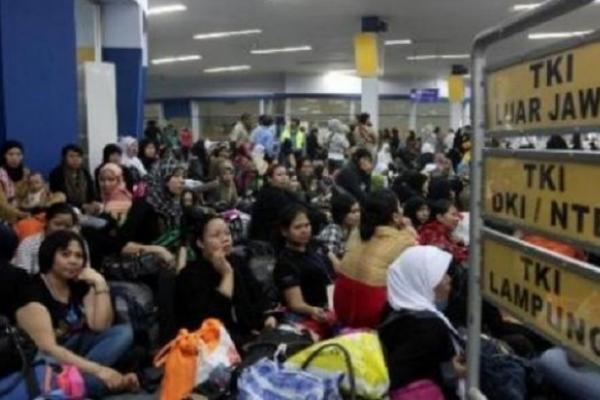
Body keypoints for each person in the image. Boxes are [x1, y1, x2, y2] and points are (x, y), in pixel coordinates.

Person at [19, 230, 138, 397]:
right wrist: (100, 370)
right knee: (95, 382)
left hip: (79, 352)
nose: (73, 261)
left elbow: (100, 326)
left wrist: (100, 284)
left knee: (123, 332)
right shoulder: (32, 289)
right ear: (50, 254)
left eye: (79, 256)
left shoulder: (79, 284)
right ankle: (95, 382)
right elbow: (48, 349)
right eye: (65, 254)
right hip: (48, 361)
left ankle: (79, 381)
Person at [175, 212, 276, 346]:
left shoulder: (238, 262)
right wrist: (227, 274)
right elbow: (212, 321)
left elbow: (257, 295)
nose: (225, 239)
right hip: (212, 343)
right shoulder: (189, 275)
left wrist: (267, 317)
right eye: (216, 235)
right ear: (200, 243)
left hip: (250, 334)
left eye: (227, 233)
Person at [378, 246, 464, 400]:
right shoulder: (430, 327)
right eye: (440, 275)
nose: (448, 279)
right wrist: (452, 370)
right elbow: (403, 374)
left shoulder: (393, 307)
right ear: (422, 280)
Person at [334, 189, 418, 329]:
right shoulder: (404, 240)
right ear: (395, 216)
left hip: (341, 303)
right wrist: (409, 230)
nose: (402, 210)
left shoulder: (356, 231)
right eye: (399, 206)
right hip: (371, 312)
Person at [274, 204, 335, 336]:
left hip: (330, 306)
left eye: (307, 225)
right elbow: (296, 303)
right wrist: (313, 310)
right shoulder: (285, 262)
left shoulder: (316, 247)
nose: (304, 230)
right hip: (306, 315)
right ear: (284, 231)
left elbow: (338, 268)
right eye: (298, 227)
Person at [248, 164, 325, 243]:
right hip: (268, 240)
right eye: (279, 175)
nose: (284, 178)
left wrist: (320, 213)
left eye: (285, 174)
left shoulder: (285, 192)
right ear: (269, 179)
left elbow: (303, 205)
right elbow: (294, 211)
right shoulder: (269, 195)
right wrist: (319, 216)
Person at [13, 202, 78, 275]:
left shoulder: (77, 246)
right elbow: (22, 276)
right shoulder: (28, 244)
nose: (62, 230)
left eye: (68, 226)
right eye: (58, 224)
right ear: (46, 222)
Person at [49, 144, 96, 211]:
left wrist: (93, 202)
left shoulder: (85, 172)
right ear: (64, 158)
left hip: (87, 208)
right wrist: (81, 205)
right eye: (71, 156)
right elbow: (59, 197)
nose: (76, 159)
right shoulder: (56, 174)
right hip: (65, 209)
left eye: (78, 156)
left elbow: (91, 193)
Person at [418, 200, 467, 264]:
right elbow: (454, 257)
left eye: (457, 215)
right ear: (440, 217)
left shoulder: (446, 233)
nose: (457, 219)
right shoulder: (431, 234)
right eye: (453, 215)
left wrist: (461, 243)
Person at [316, 191, 360, 260]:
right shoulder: (333, 231)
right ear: (342, 214)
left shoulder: (351, 230)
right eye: (353, 212)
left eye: (358, 211)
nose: (358, 215)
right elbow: (328, 260)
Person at [0, 140, 30, 222]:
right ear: (4, 156)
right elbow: (2, 203)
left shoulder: (26, 172)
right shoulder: (1, 174)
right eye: (10, 154)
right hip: (5, 213)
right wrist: (19, 213)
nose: (14, 158)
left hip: (23, 208)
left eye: (18, 154)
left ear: (22, 156)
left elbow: (35, 189)